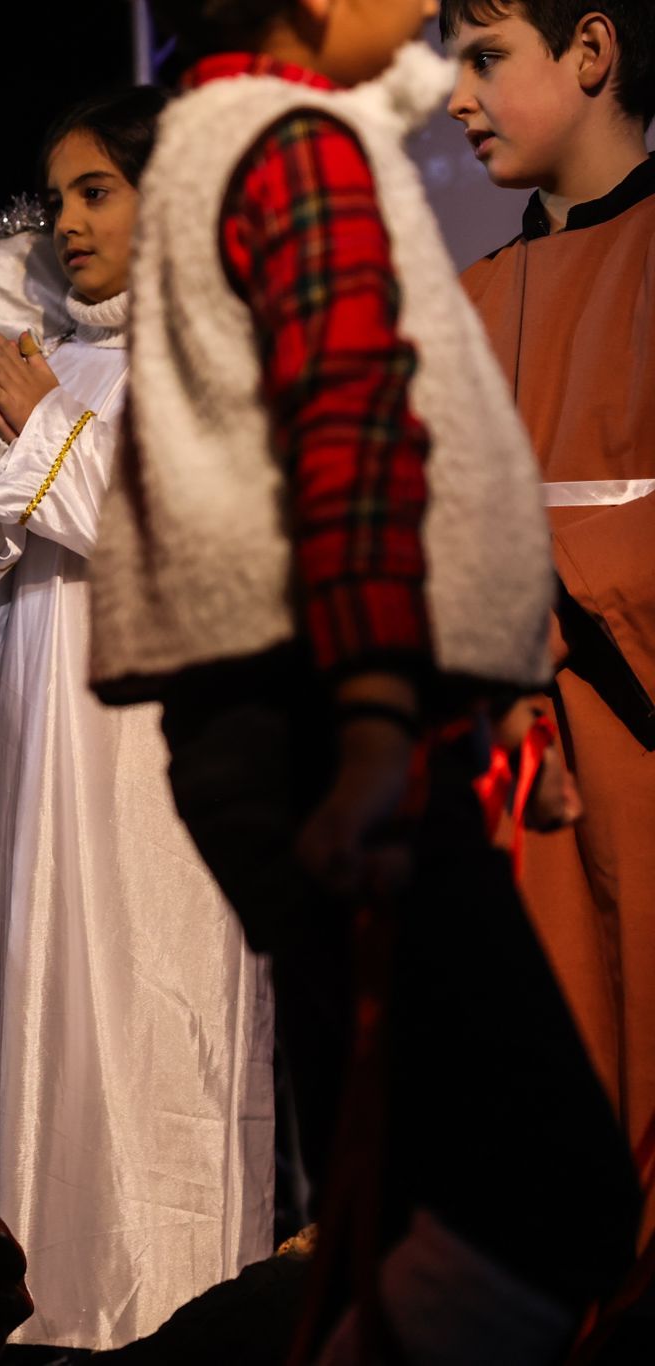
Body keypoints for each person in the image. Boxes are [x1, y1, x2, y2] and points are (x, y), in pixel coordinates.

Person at [99, 2, 640, 1356]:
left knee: (417, 1175)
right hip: (327, 712)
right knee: (539, 1191)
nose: (432, 20)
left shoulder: (223, 136)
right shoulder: (291, 145)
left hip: (321, 710)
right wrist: (379, 723)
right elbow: (349, 446)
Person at [0, 89, 275, 1350]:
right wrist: (30, 436)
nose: (67, 222)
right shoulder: (42, 360)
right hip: (48, 746)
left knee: (163, 1010)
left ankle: (181, 1308)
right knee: (57, 1012)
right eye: (57, 197)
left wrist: (43, 436)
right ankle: (53, 1308)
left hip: (160, 755)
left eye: (96, 192)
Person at [443, 0, 655, 1245]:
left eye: (484, 60)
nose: (456, 100)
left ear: (590, 52)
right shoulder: (467, 301)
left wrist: (548, 560)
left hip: (629, 747)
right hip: (508, 780)